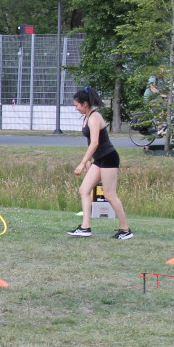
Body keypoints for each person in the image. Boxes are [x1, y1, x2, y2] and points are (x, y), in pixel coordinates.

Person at [68, 87, 133, 240]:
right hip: (99, 159)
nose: (76, 108)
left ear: (85, 104)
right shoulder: (87, 116)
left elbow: (95, 142)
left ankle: (125, 230)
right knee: (84, 189)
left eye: (77, 105)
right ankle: (85, 227)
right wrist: (91, 160)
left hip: (109, 158)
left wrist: (83, 163)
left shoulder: (95, 117)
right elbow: (91, 141)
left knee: (110, 195)